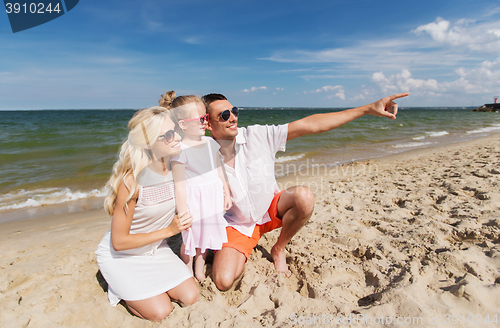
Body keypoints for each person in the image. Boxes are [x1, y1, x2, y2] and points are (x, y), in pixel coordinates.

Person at [201, 92, 409, 291]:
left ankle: (279, 248)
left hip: (270, 210)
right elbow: (172, 151)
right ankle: (229, 246)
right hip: (238, 224)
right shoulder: (202, 153)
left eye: (234, 111)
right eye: (224, 115)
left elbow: (311, 124)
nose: (233, 118)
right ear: (208, 123)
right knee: (222, 281)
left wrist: (367, 109)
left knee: (304, 197)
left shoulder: (257, 135)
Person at [95, 106, 199, 322]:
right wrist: (169, 230)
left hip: (155, 249)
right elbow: (119, 242)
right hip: (122, 255)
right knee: (161, 311)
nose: (177, 137)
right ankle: (119, 286)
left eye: (176, 131)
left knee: (191, 296)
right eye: (169, 134)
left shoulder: (177, 167)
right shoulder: (131, 182)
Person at [159, 92, 231, 281]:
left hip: (212, 196)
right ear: (182, 124)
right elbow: (180, 184)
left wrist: (226, 191)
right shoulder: (180, 150)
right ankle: (187, 267)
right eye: (199, 119)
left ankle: (200, 267)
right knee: (190, 238)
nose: (204, 122)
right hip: (193, 200)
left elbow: (219, 169)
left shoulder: (210, 143)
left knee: (206, 236)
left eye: (205, 117)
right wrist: (182, 211)